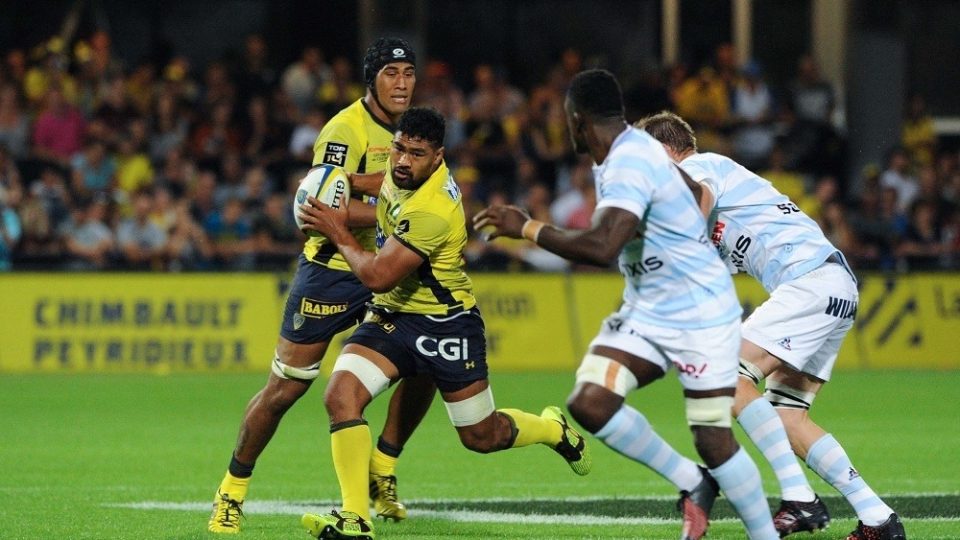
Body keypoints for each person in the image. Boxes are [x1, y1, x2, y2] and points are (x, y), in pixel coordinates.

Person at [475, 69, 777, 540]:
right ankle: (693, 482)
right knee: (590, 402)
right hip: (651, 308)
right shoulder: (627, 150)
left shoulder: (629, 162)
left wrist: (527, 228)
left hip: (700, 312)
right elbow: (697, 193)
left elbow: (600, 248)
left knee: (713, 437)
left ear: (576, 121)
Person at [296, 107, 590, 540]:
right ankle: (356, 518)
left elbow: (377, 274)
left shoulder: (433, 209)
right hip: (393, 315)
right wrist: (343, 182)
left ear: (438, 157)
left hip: (446, 323)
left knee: (481, 435)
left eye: (415, 153)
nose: (401, 160)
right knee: (341, 396)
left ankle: (551, 428)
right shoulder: (405, 172)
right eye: (398, 148)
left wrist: (336, 228)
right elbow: (386, 183)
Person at [638, 111, 906, 540]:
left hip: (809, 282)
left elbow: (695, 204)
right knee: (788, 415)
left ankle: (799, 499)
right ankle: (879, 519)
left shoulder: (697, 166)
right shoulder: (713, 197)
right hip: (832, 285)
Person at [208, 37, 435, 533]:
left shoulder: (415, 131)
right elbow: (316, 207)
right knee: (284, 390)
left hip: (389, 268)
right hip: (332, 273)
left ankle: (384, 470)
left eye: (409, 73)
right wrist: (396, 212)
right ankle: (231, 491)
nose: (402, 83)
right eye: (391, 73)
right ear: (371, 78)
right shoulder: (345, 129)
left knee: (427, 358)